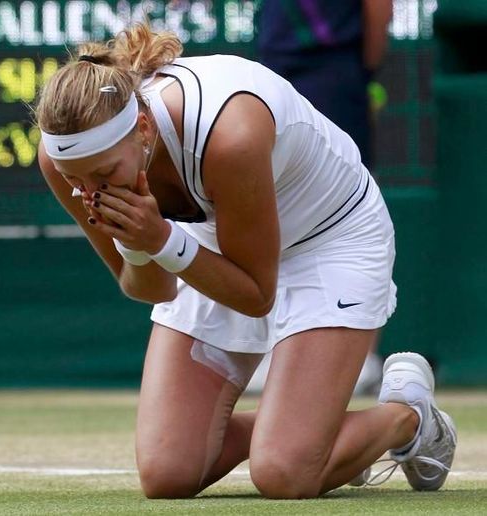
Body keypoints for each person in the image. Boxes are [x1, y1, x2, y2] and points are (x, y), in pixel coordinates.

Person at [34, 23, 456, 498]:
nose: (91, 191)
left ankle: (408, 419)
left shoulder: (230, 134)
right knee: (168, 474)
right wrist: (140, 242)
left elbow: (256, 296)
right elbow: (150, 288)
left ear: (144, 128)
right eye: (77, 178)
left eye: (105, 172)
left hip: (330, 240)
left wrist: (160, 238)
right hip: (208, 242)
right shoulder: (63, 162)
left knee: (284, 475)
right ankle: (314, 436)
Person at [247, 0, 395, 395]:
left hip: (336, 73)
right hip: (275, 69)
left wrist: (361, 72)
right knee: (269, 205)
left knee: (353, 204)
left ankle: (363, 353)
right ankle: (271, 346)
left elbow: (379, 10)